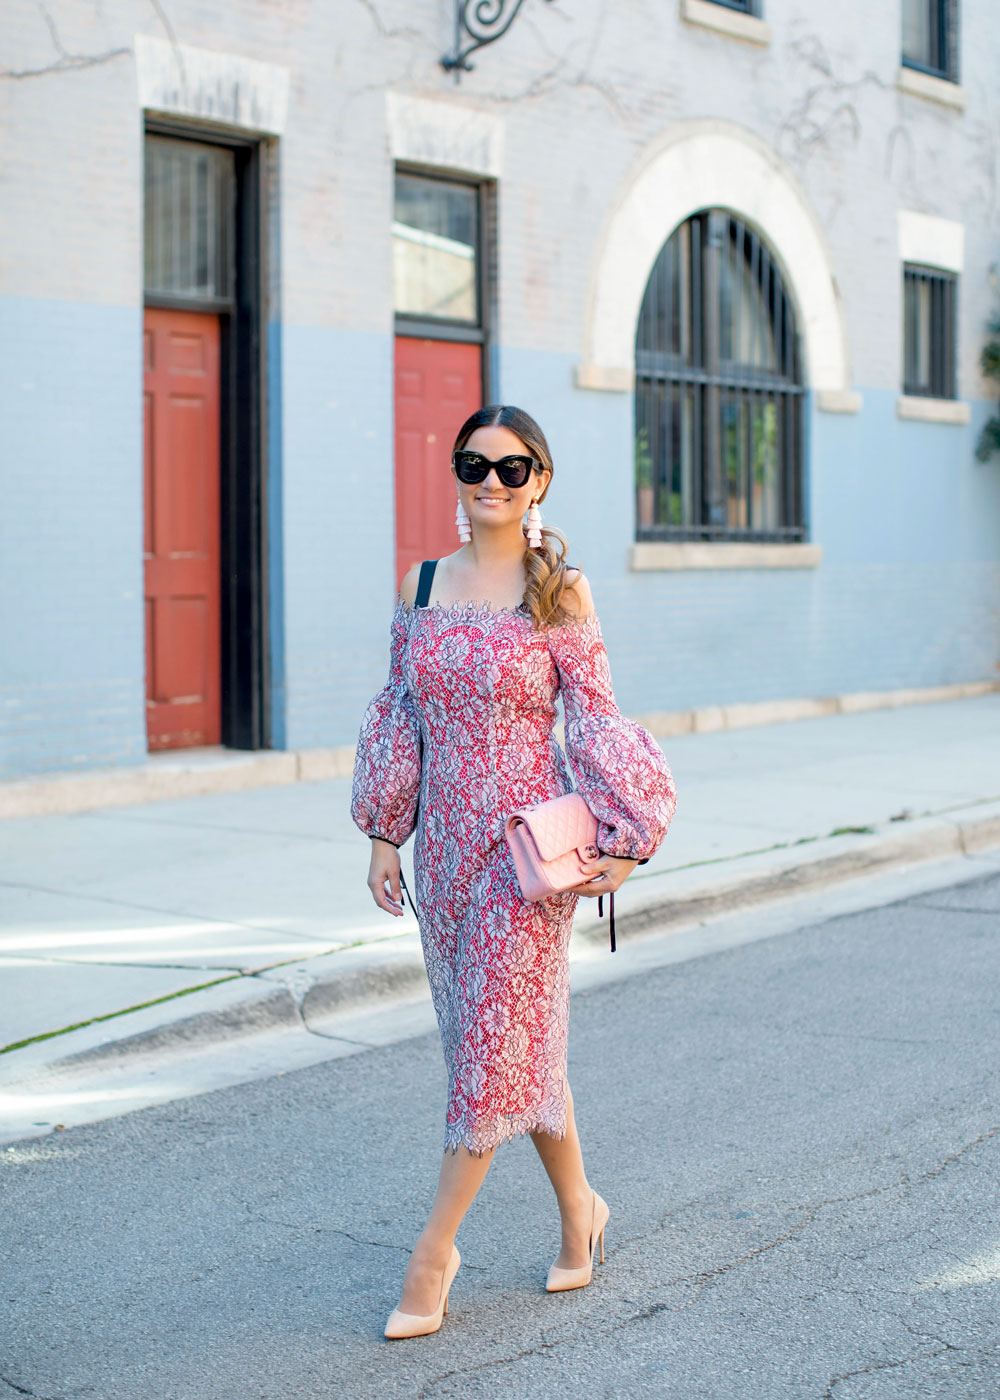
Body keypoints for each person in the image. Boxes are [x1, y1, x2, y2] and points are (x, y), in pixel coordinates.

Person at [351, 404, 677, 1339]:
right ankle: (582, 1211)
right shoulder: (422, 584)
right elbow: (399, 713)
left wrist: (626, 831)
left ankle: (432, 1256)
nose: (488, 482)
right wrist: (384, 832)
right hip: (444, 857)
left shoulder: (558, 592)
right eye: (472, 464)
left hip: (524, 860)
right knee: (503, 1044)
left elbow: (600, 719)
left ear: (539, 481)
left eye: (510, 467)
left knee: (495, 1051)